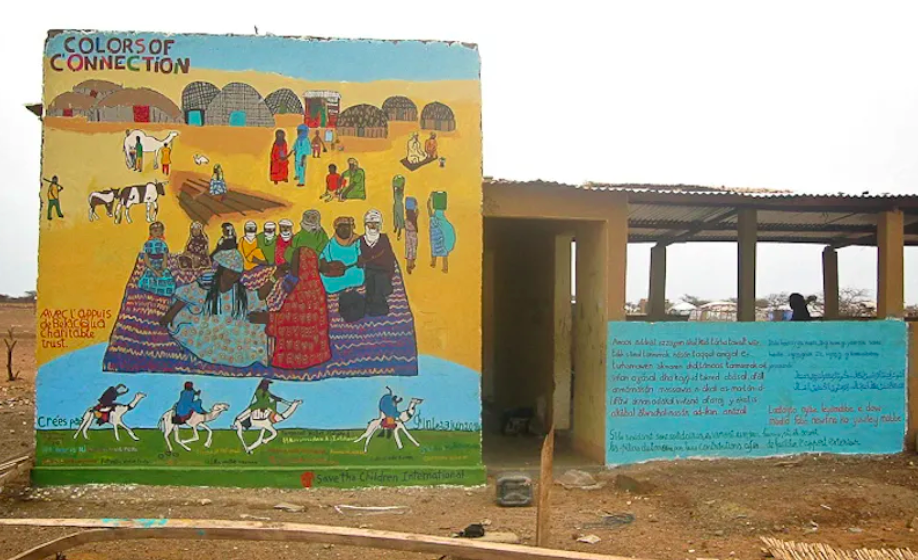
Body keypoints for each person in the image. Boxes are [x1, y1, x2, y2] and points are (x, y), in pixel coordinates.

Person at [160, 249, 272, 367]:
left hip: (230, 325)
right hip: (207, 321)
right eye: (231, 272)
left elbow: (256, 298)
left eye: (237, 274)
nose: (234, 277)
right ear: (222, 270)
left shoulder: (239, 291)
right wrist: (169, 316)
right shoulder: (207, 283)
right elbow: (186, 296)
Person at [267, 246, 332, 369]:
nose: (292, 265)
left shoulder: (304, 290)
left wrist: (268, 319)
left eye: (296, 262)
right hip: (317, 355)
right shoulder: (312, 284)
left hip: (300, 352)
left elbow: (292, 323)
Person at [357, 209, 397, 316]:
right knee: (372, 280)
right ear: (365, 224)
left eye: (376, 223)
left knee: (379, 279)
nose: (373, 226)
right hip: (367, 272)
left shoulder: (384, 239)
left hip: (383, 273)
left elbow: (389, 262)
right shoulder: (360, 240)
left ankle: (376, 305)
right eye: (370, 223)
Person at [319, 216, 365, 294]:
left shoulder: (357, 241)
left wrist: (361, 260)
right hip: (335, 276)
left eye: (347, 227)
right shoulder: (330, 244)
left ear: (351, 228)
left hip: (354, 273)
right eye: (341, 227)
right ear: (336, 229)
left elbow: (362, 255)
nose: (344, 230)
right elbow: (322, 257)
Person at [138, 221, 176, 297]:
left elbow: (165, 260)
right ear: (151, 232)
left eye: (160, 231)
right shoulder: (147, 244)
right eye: (155, 231)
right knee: (148, 281)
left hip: (161, 267)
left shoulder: (163, 244)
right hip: (151, 268)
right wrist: (154, 271)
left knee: (166, 280)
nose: (158, 233)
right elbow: (147, 261)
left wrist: (161, 270)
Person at [428, 193, 456, 273]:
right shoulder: (444, 222)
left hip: (435, 240)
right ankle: (445, 268)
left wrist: (429, 199)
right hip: (441, 240)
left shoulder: (433, 219)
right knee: (444, 254)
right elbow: (448, 231)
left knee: (434, 252)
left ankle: (433, 263)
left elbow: (429, 208)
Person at [405, 197, 419, 274]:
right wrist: (415, 204)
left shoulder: (407, 219)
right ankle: (411, 264)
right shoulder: (414, 218)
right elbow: (417, 211)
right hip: (413, 234)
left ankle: (408, 264)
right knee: (413, 249)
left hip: (407, 234)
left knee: (408, 249)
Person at [392, 175, 406, 241]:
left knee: (400, 217)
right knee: (396, 216)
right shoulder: (396, 190)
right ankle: (396, 226)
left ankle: (399, 230)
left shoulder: (400, 191)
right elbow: (393, 186)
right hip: (396, 205)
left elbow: (402, 186)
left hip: (399, 205)